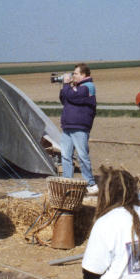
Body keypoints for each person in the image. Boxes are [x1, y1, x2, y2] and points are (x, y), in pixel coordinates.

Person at [59, 63, 98, 194]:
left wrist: (67, 86)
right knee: (65, 155)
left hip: (80, 127)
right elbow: (64, 99)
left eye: (75, 73)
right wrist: (65, 87)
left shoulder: (88, 87)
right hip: (68, 126)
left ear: (83, 75)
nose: (73, 75)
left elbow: (74, 97)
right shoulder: (75, 87)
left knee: (82, 156)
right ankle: (67, 183)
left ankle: (90, 184)